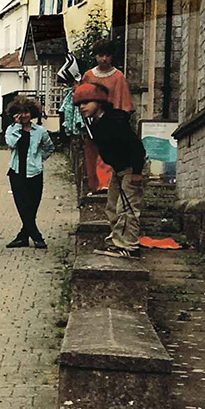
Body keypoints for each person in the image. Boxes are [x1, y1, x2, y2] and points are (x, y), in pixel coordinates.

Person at [75, 79, 147, 256]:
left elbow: (136, 147)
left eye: (86, 102)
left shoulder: (114, 121)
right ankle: (117, 241)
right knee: (113, 206)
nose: (82, 107)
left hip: (131, 168)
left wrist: (137, 172)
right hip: (118, 169)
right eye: (79, 104)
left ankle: (129, 247)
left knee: (127, 208)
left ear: (99, 102)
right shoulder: (96, 122)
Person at [81, 39, 134, 195]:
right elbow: (82, 97)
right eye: (100, 55)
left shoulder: (118, 76)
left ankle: (106, 184)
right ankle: (95, 185)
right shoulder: (89, 75)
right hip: (92, 120)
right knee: (92, 152)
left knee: (108, 151)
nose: (104, 59)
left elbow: (123, 100)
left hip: (111, 120)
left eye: (107, 55)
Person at [2, 98, 56, 249]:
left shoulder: (40, 131)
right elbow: (11, 143)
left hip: (34, 172)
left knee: (32, 207)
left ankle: (22, 237)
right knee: (23, 206)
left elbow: (49, 147)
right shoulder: (11, 129)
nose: (24, 115)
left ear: (31, 113)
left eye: (26, 112)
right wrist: (18, 127)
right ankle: (37, 237)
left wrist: (39, 159)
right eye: (20, 112)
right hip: (16, 172)